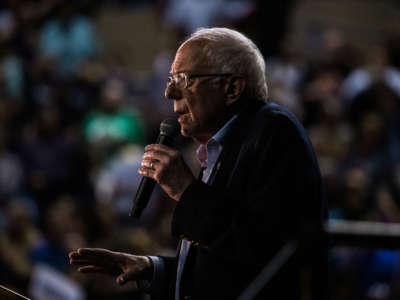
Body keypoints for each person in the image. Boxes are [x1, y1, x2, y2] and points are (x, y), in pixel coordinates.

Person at [69, 27, 327, 300]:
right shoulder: (222, 147)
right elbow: (221, 266)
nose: (169, 92)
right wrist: (151, 268)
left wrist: (186, 190)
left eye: (183, 79)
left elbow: (265, 252)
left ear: (232, 87)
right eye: (170, 79)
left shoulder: (273, 131)